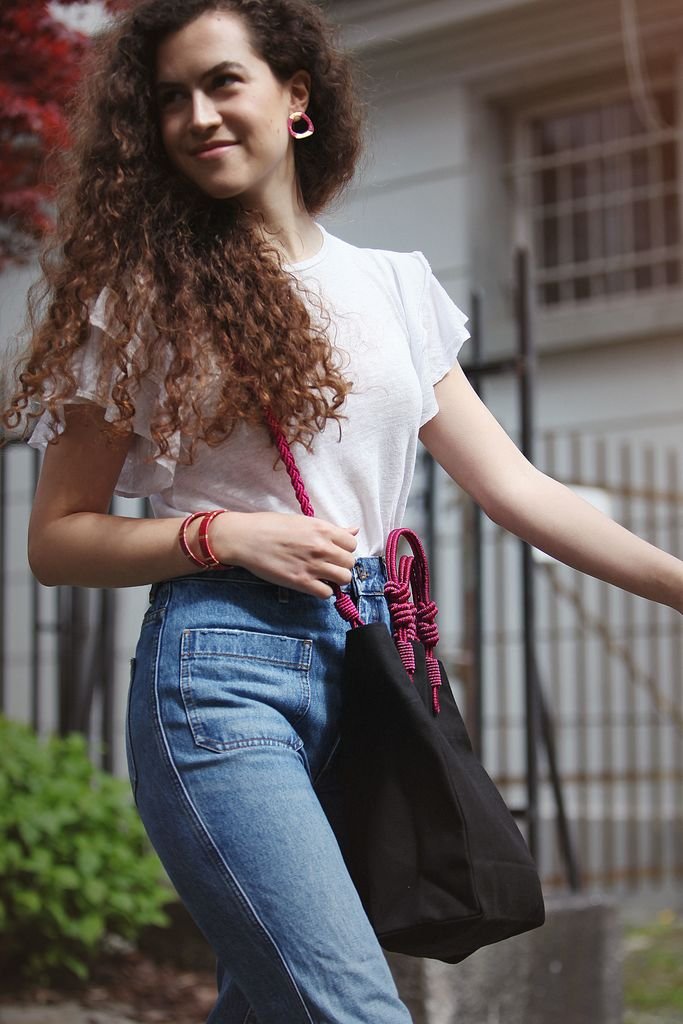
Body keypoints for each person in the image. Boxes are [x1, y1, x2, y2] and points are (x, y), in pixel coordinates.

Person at [4, 0, 682, 1021]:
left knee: (271, 1001)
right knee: (348, 1006)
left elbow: (518, 489)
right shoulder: (140, 301)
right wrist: (219, 532)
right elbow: (57, 540)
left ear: (295, 95)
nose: (196, 115)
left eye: (222, 81)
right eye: (170, 99)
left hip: (368, 669)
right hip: (217, 679)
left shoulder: (394, 289)